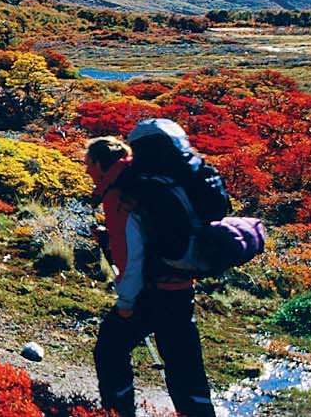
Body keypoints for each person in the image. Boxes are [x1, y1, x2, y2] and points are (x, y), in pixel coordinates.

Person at [85, 133, 215, 417]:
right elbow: (147, 235)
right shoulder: (146, 184)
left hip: (150, 293)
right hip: (180, 287)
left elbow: (131, 258)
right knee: (185, 367)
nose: (86, 170)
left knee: (110, 350)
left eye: (88, 163)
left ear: (99, 163)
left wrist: (126, 305)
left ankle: (119, 413)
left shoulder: (120, 193)